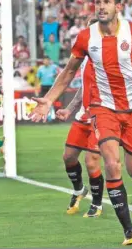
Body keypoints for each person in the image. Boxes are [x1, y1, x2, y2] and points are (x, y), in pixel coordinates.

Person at [29, 0, 132, 246]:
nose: (101, 6)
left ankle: (124, 149)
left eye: (107, 2)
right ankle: (129, 231)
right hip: (103, 109)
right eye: (98, 2)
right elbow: (68, 72)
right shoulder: (85, 37)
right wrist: (49, 100)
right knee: (111, 164)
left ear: (118, 7)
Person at [54, 17, 104, 218]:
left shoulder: (110, 58)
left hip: (102, 116)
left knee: (92, 161)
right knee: (68, 157)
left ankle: (97, 204)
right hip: (83, 115)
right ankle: (79, 190)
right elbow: (84, 88)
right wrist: (69, 109)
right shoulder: (84, 60)